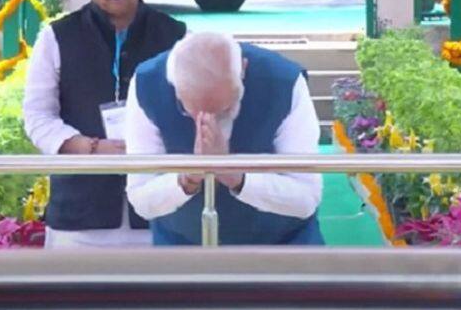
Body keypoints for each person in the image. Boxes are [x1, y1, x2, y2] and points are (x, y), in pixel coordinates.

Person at [23, 0, 186, 248]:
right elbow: (37, 117)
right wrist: (89, 148)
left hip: (160, 215)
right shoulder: (56, 37)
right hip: (79, 220)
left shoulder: (177, 37)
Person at [124, 32, 323, 246]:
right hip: (181, 247)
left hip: (284, 246)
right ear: (175, 88)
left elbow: (306, 197)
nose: (209, 122)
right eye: (192, 112)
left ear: (243, 70)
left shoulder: (284, 82)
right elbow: (141, 199)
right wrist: (186, 179)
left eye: (223, 111)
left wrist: (236, 176)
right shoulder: (147, 83)